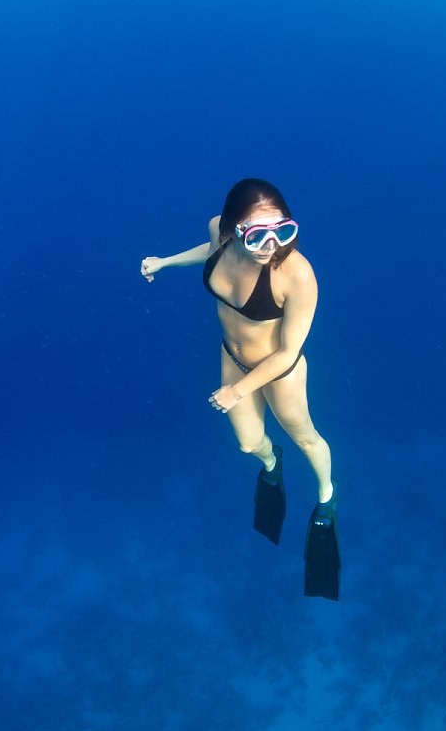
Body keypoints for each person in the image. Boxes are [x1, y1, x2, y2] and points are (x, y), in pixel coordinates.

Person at [140, 179, 336, 534]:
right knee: (249, 444)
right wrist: (165, 262)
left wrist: (237, 391)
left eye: (283, 232)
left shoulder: (298, 276)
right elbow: (211, 249)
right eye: (258, 236)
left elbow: (289, 350)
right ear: (234, 230)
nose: (271, 246)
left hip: (280, 371)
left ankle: (327, 496)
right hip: (233, 358)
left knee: (305, 437)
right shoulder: (220, 230)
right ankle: (272, 463)